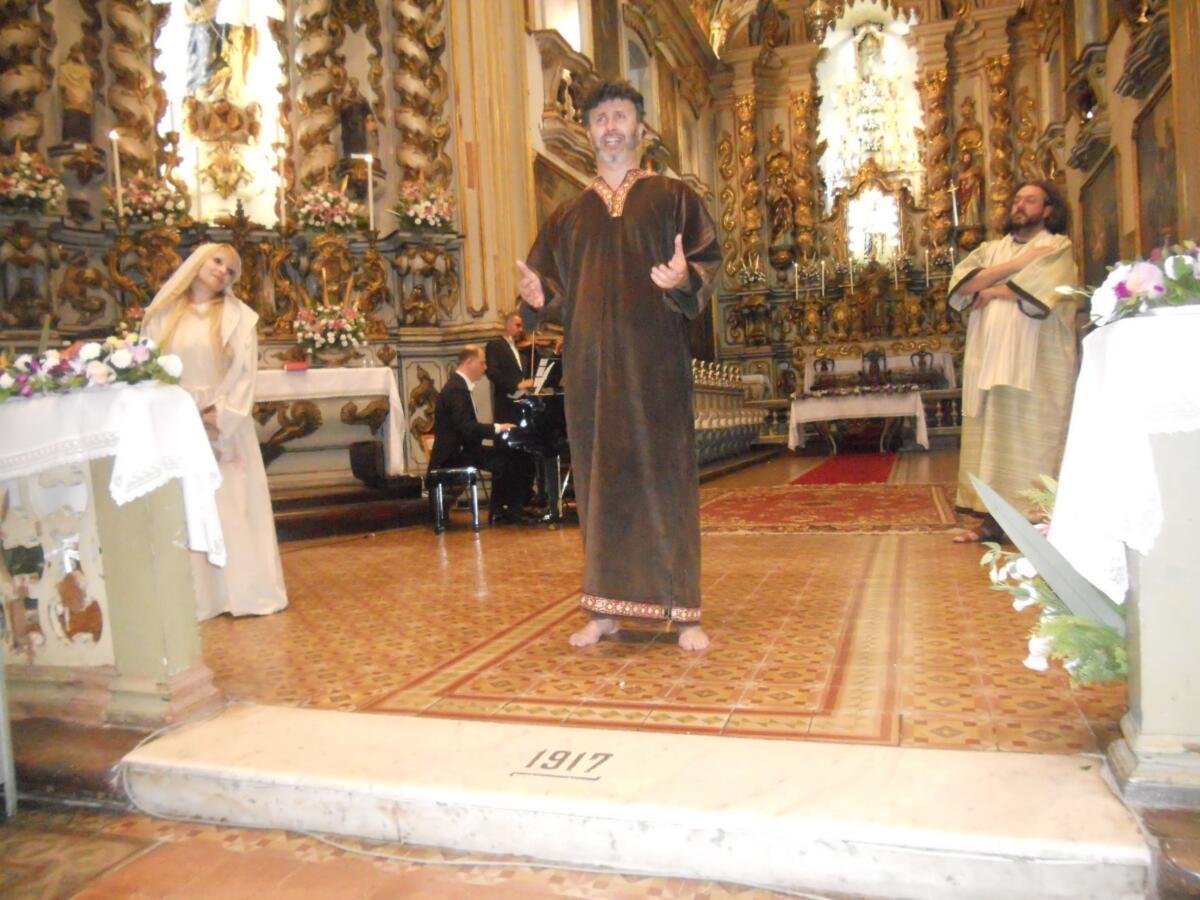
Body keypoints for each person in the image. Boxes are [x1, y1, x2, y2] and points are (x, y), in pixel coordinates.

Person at [515, 80, 721, 651]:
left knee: (666, 479)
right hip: (591, 372)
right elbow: (551, 291)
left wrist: (684, 277)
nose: (610, 126)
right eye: (601, 118)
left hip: (656, 367)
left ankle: (683, 612)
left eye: (620, 116)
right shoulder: (567, 215)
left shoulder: (673, 197)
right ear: (588, 132)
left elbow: (706, 261)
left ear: (640, 128)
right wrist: (538, 298)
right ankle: (604, 609)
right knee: (600, 484)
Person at [141, 243, 288, 619]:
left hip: (221, 422)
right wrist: (170, 409)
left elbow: (245, 374)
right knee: (184, 506)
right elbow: (147, 367)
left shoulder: (240, 318)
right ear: (197, 262)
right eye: (218, 261)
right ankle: (195, 597)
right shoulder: (162, 314)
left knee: (230, 505)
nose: (223, 271)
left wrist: (219, 416)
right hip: (175, 419)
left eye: (232, 269)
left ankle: (240, 592)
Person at [947, 181, 1080, 542]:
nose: (1020, 206)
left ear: (1048, 209)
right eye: (1017, 200)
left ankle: (1040, 521)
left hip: (1037, 366)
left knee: (1033, 440)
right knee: (992, 445)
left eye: (1030, 200)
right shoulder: (990, 250)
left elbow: (1043, 288)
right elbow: (962, 285)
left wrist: (991, 289)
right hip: (988, 360)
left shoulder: (1057, 246)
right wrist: (1019, 263)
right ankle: (992, 522)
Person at [428, 345, 529, 524]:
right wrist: (497, 428)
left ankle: (503, 509)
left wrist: (495, 431)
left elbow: (466, 429)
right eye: (482, 363)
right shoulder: (456, 389)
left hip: (460, 450)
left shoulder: (458, 386)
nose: (485, 368)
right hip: (453, 455)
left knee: (508, 456)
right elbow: (466, 428)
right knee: (509, 458)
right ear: (469, 362)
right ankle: (505, 510)